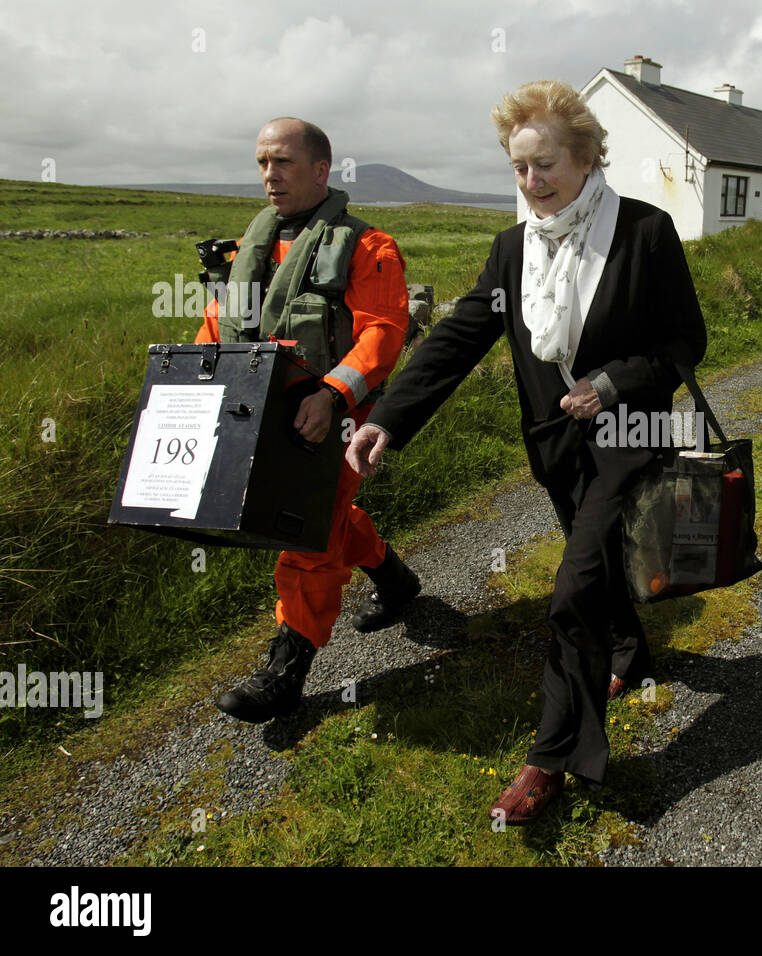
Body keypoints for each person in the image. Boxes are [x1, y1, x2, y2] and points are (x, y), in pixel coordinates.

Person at [347, 81, 707, 823]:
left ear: (584, 158)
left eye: (545, 165)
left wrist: (613, 382)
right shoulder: (513, 248)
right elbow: (457, 339)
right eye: (519, 168)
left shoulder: (644, 232)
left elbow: (683, 343)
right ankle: (629, 651)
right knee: (599, 570)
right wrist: (390, 417)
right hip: (554, 444)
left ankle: (550, 759)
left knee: (573, 587)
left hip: (626, 436)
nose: (532, 182)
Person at [199, 117, 422, 724]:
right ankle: (396, 581)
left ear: (321, 170)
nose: (270, 175)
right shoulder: (250, 247)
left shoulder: (368, 246)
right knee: (327, 520)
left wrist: (329, 396)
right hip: (264, 416)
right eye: (262, 164)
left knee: (305, 534)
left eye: (283, 162)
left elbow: (383, 334)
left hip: (337, 419)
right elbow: (220, 329)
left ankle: (285, 672)